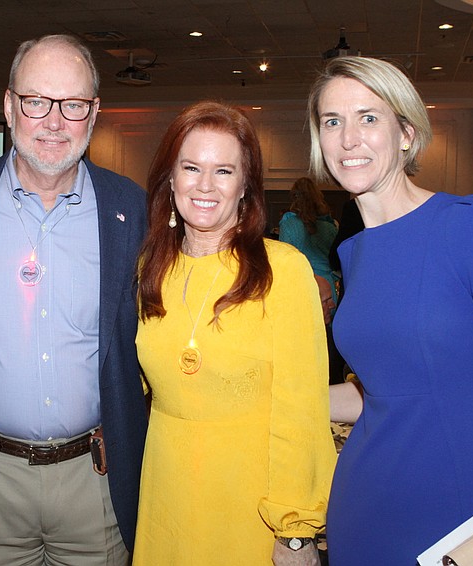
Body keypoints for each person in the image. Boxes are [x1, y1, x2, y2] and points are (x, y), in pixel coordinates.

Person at [0, 34, 148, 565]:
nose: (54, 121)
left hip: (96, 478)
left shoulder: (128, 207)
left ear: (95, 112)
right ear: (9, 106)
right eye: (36, 101)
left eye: (73, 104)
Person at [309, 56, 473, 564]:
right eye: (332, 122)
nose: (349, 138)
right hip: (362, 505)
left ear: (405, 132)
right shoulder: (353, 254)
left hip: (460, 508)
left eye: (368, 117)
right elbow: (387, 394)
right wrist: (264, 391)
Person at [133, 101, 335, 565]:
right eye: (191, 167)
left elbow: (301, 412)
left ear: (245, 185)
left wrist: (296, 531)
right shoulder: (150, 269)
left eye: (224, 170)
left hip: (252, 509)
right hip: (166, 500)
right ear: (170, 178)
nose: (205, 185)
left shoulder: (283, 271)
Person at [279, 176, 339, 300]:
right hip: (328, 288)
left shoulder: (288, 223)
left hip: (302, 284)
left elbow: (284, 261)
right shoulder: (330, 226)